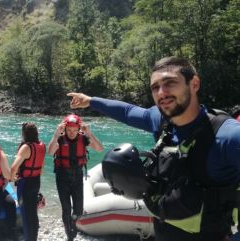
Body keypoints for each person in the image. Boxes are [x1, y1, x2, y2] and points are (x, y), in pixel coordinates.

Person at [68, 56, 240, 241]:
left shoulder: (228, 136)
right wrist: (91, 101)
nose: (161, 93)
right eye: (155, 87)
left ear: (194, 84)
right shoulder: (160, 120)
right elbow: (127, 112)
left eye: (170, 83)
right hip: (163, 229)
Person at [48, 114, 103, 241]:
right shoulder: (60, 139)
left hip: (77, 176)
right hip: (62, 177)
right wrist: (56, 134)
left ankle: (72, 223)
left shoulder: (83, 139)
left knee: (78, 210)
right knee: (66, 208)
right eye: (69, 130)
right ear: (65, 129)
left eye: (74, 130)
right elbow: (50, 152)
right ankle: (70, 235)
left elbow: (100, 148)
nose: (72, 133)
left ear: (79, 129)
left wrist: (89, 133)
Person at [10, 122, 46, 241]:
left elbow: (14, 167)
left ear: (24, 134)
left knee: (25, 214)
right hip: (36, 181)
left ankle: (28, 238)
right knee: (33, 212)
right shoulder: (42, 145)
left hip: (25, 183)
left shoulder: (26, 147)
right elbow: (42, 167)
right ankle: (33, 237)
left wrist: (12, 178)